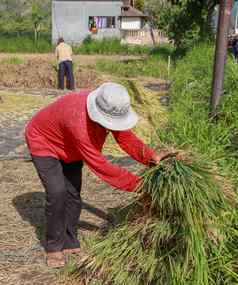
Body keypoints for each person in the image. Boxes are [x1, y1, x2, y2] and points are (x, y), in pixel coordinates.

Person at [25, 82, 178, 268]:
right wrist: (142, 186)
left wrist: (151, 157)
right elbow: (101, 167)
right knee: (58, 193)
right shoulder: (78, 121)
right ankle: (53, 247)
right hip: (44, 142)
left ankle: (70, 240)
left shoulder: (108, 104)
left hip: (70, 147)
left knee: (73, 194)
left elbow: (126, 138)